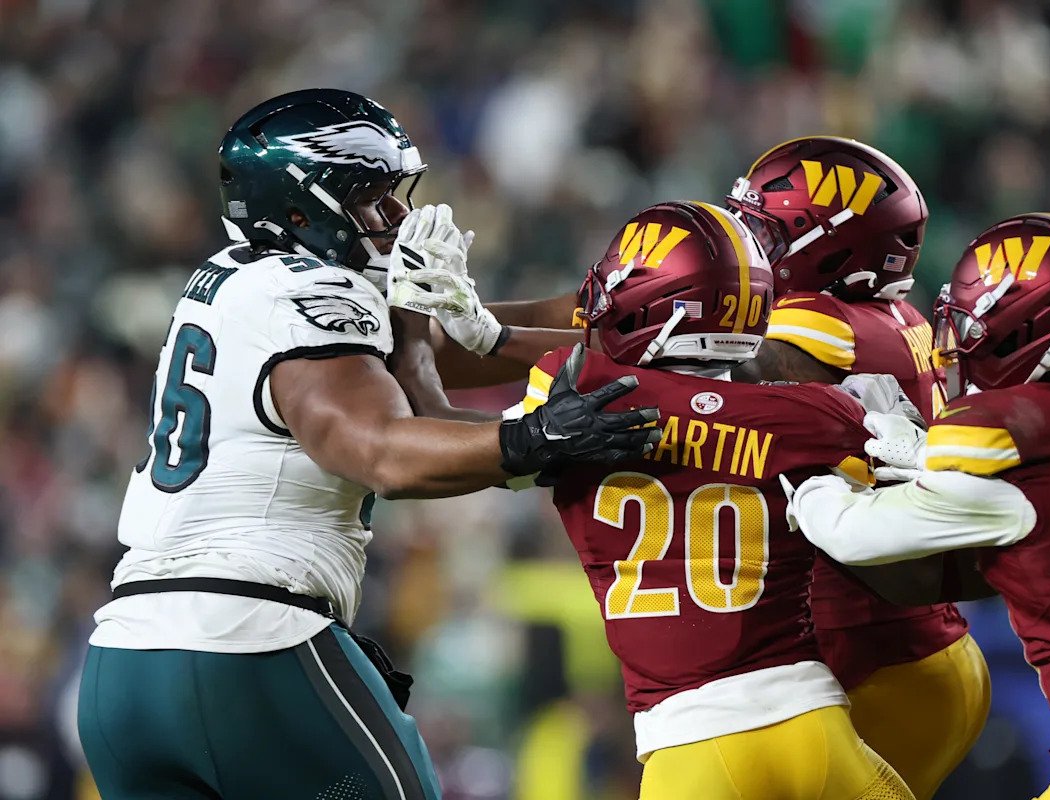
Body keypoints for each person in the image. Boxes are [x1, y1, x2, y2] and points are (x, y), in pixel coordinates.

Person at [76, 88, 661, 800]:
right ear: (301, 208)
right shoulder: (311, 295)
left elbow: (442, 352)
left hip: (124, 669)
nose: (399, 220)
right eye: (375, 201)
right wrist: (534, 436)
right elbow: (380, 450)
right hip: (247, 644)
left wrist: (628, 322)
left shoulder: (240, 281)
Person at [785, 213, 1050, 799]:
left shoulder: (1014, 438)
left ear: (1028, 322)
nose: (961, 339)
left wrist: (805, 475)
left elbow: (853, 533)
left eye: (974, 318)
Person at [513, 200, 916, 799]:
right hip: (817, 724)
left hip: (694, 745)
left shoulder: (572, 386)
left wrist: (435, 339)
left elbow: (477, 454)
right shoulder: (816, 410)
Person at [723, 136, 987, 800]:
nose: (748, 245)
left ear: (829, 244)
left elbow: (692, 364)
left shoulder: (821, 323)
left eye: (765, 230)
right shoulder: (892, 314)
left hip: (877, 655)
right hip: (917, 649)